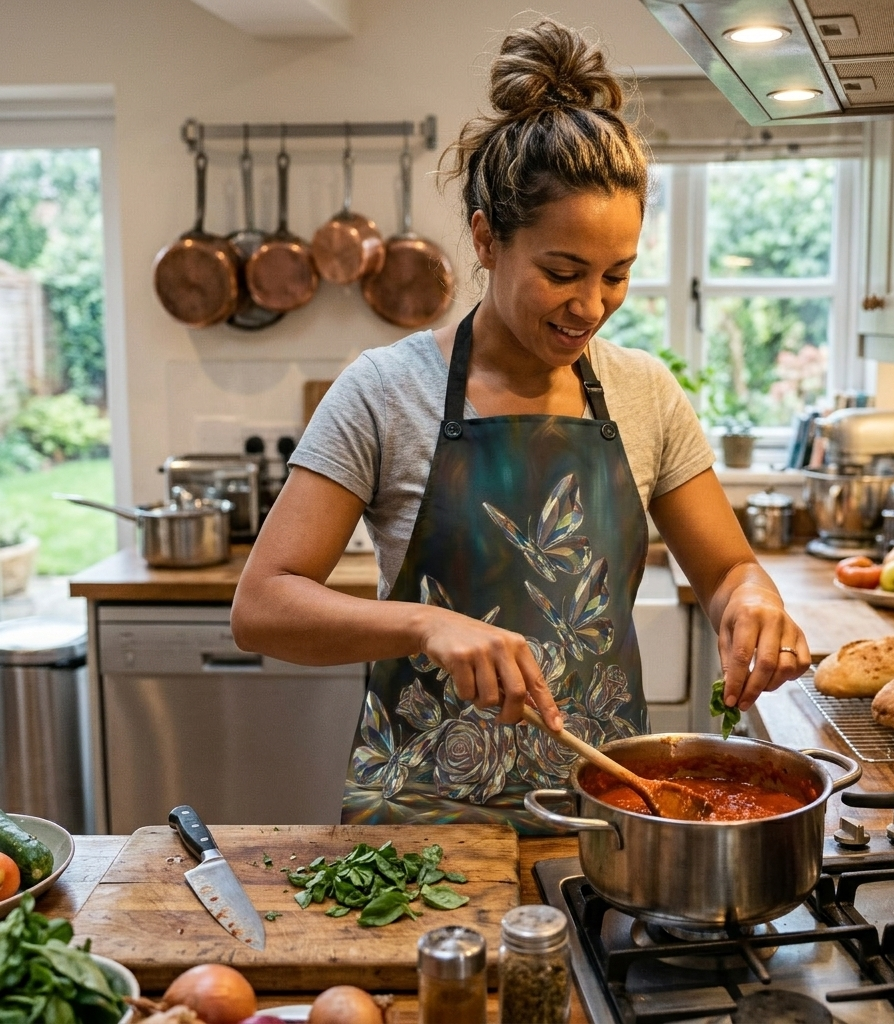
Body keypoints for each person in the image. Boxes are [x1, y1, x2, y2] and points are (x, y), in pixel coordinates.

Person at [231, 19, 811, 831]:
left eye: (617, 275)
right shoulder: (384, 391)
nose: (591, 306)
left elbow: (725, 573)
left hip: (610, 816)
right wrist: (426, 624)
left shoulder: (645, 393)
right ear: (486, 239)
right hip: (423, 833)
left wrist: (752, 600)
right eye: (562, 272)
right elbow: (262, 607)